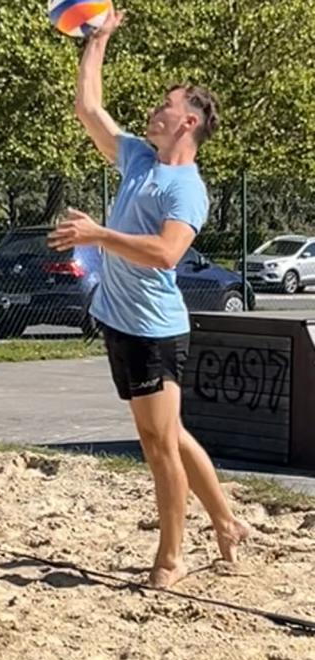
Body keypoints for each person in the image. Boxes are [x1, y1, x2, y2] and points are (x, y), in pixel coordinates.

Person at [48, 8, 250, 589]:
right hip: (121, 320)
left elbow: (165, 253)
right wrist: (98, 39)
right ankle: (227, 523)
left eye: (166, 104)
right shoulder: (139, 157)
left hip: (154, 331)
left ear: (188, 121)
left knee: (158, 444)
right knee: (171, 435)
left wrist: (97, 235)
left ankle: (171, 558)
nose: (155, 109)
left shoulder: (187, 189)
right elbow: (89, 107)